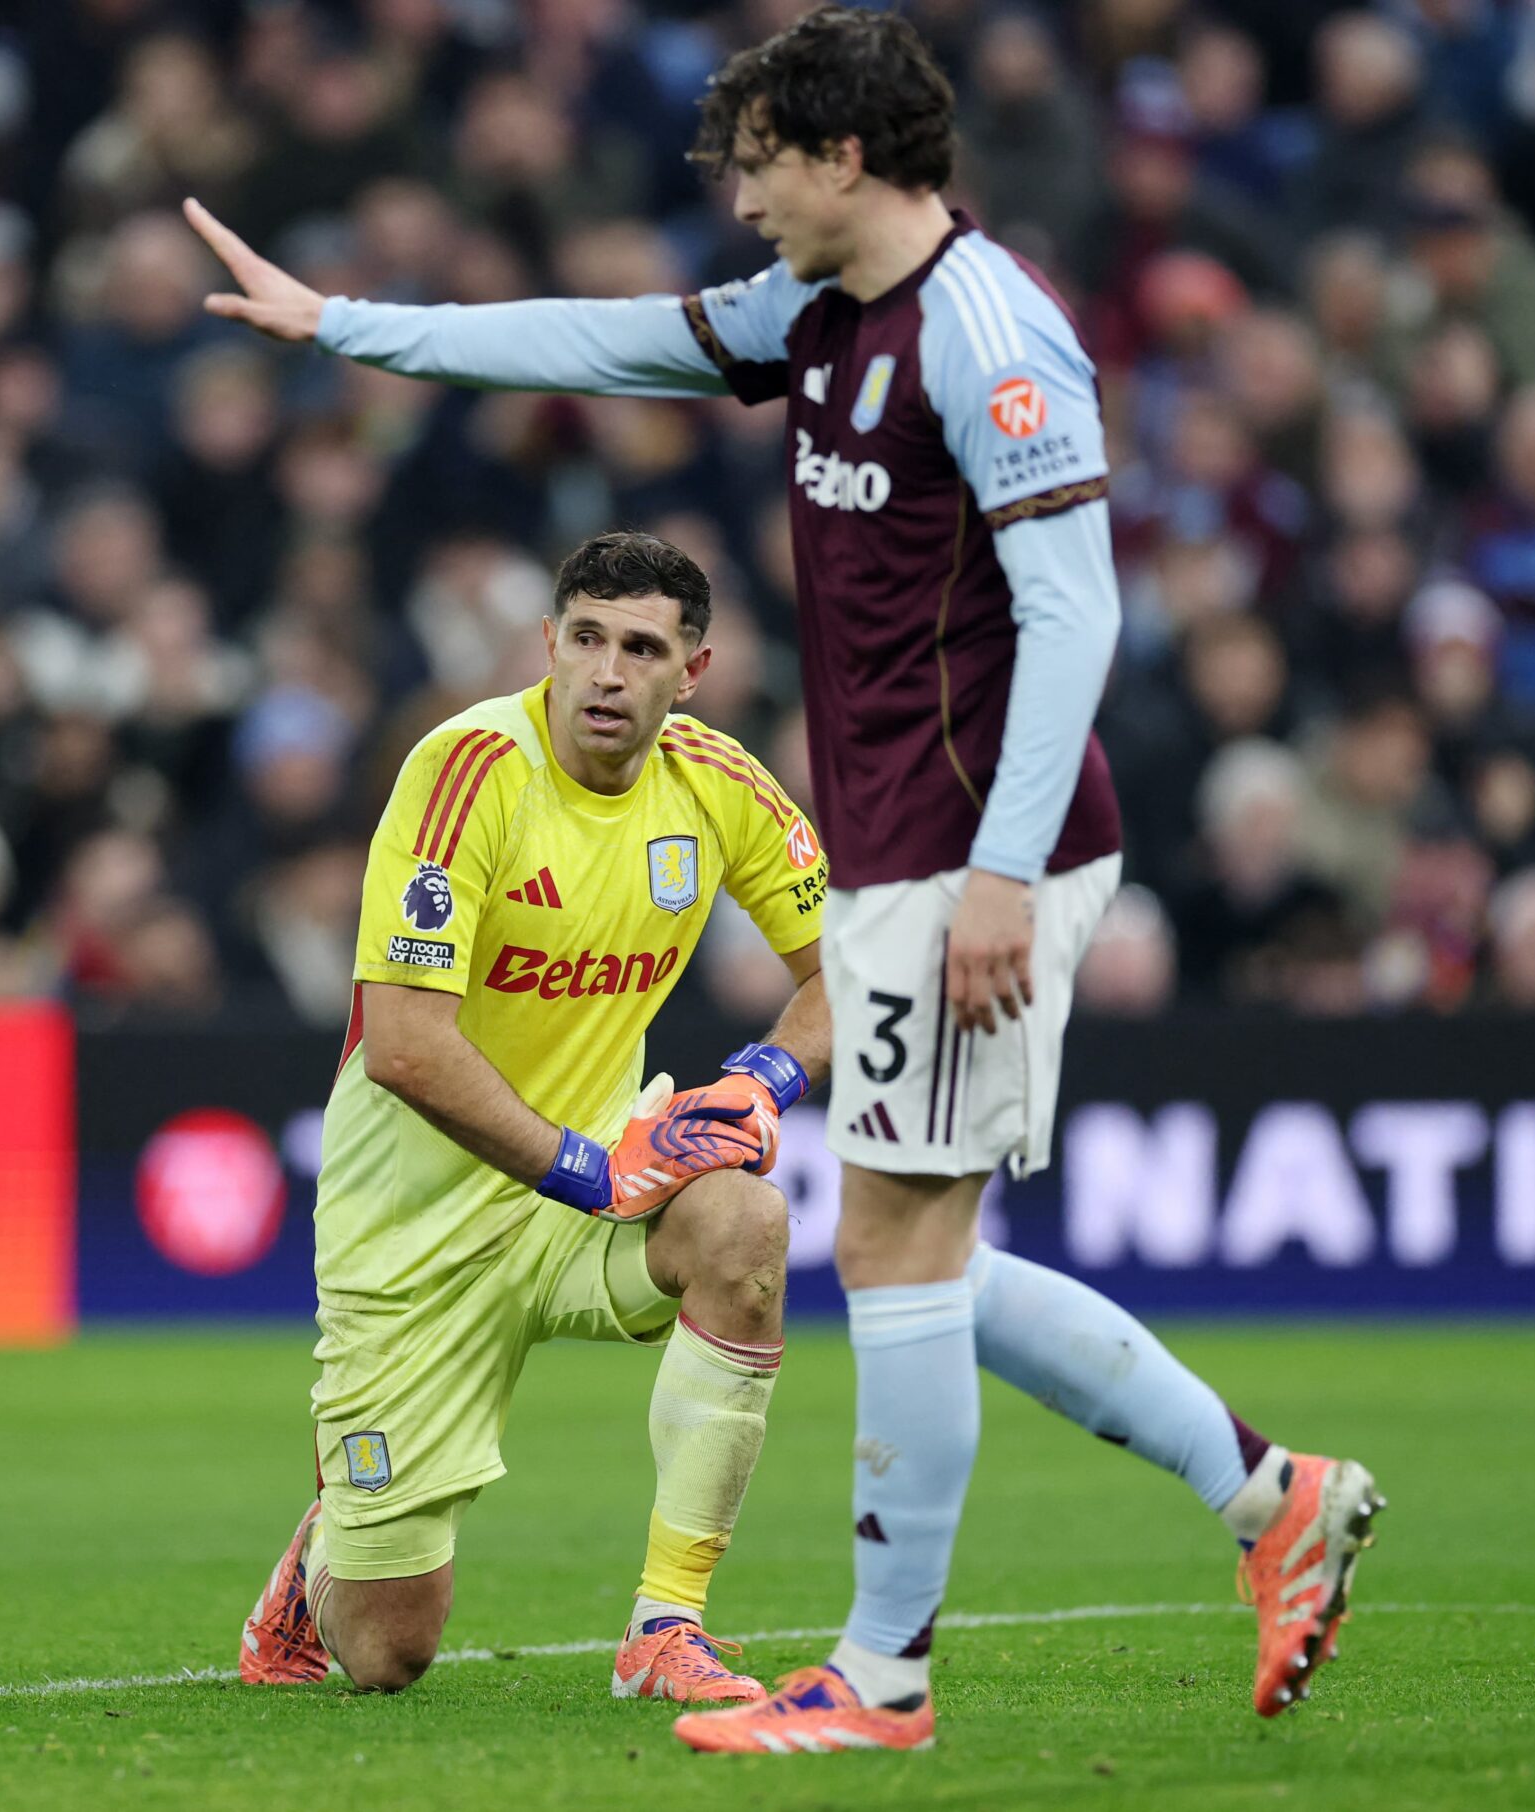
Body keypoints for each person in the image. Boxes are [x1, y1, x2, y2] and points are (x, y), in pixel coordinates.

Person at [192, 6, 1380, 1750]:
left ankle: (884, 1675)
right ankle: (1263, 1491)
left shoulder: (989, 323)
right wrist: (350, 326)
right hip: (916, 848)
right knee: (921, 1257)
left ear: (840, 154)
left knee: (894, 1245)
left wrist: (994, 868)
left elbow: (1081, 611)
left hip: (985, 844)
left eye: (755, 164)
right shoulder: (816, 319)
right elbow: (601, 342)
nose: (737, 201)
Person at [238, 531, 831, 1703]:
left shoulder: (716, 782)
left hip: (590, 1189)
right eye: (589, 641)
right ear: (548, 645)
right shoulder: (464, 772)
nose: (610, 674)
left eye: (643, 649)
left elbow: (849, 971)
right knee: (388, 1656)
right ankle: (317, 1575)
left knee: (746, 1224)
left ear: (692, 672)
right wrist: (583, 1168)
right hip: (414, 1231)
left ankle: (667, 1628)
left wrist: (760, 1080)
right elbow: (405, 1047)